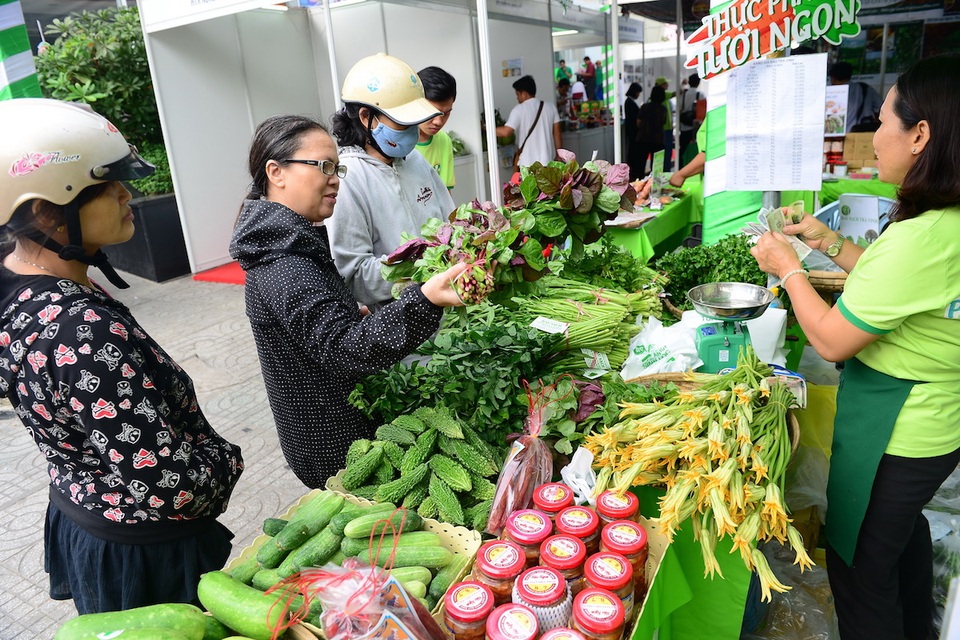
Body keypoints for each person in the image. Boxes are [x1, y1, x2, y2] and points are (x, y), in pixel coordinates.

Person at [0, 99, 243, 614]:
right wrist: (225, 461)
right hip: (140, 549)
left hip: (83, 510)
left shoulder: (21, 278)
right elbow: (168, 486)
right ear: (47, 211)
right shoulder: (76, 331)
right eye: (109, 187)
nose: (127, 194)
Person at [749, 54, 960, 640]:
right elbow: (892, 288)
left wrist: (788, 268)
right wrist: (829, 241)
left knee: (862, 572)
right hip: (938, 425)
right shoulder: (946, 225)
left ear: (921, 135)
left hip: (899, 431)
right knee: (900, 537)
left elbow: (833, 340)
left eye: (884, 121)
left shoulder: (921, 239)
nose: (873, 139)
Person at [229, 115, 469, 490]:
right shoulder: (284, 262)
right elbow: (344, 348)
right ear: (276, 172)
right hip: (331, 443)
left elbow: (324, 334)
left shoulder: (295, 240)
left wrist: (343, 313)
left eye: (336, 166)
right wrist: (426, 299)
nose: (335, 177)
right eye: (323, 166)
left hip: (343, 423)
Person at [326, 53, 455, 312]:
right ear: (366, 117)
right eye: (401, 122)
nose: (412, 130)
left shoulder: (416, 160)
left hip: (448, 314)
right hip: (400, 329)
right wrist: (423, 268)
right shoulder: (349, 179)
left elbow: (450, 221)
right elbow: (353, 274)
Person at [496, 75, 562, 169]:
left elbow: (506, 132)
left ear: (524, 94)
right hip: (547, 162)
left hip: (527, 164)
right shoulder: (550, 107)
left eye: (517, 94)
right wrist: (559, 155)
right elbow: (557, 134)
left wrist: (486, 128)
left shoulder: (519, 109)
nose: (516, 97)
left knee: (527, 184)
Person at [415, 66, 457, 191]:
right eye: (432, 112)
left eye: (446, 113)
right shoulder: (396, 143)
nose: (438, 122)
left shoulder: (444, 140)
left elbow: (445, 193)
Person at [830, 61, 883, 133]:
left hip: (836, 136)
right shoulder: (865, 88)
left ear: (833, 78)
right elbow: (881, 108)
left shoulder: (829, 93)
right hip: (861, 134)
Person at [633, 84, 668, 176]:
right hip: (657, 139)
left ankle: (639, 183)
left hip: (643, 138)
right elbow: (663, 122)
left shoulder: (644, 107)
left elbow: (638, 123)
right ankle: (655, 185)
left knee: (640, 165)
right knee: (657, 166)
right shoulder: (663, 109)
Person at [678, 73, 704, 166]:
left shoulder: (684, 94)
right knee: (697, 148)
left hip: (684, 125)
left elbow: (680, 107)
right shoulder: (700, 94)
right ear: (698, 82)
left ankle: (682, 166)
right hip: (695, 126)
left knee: (682, 149)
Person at [623, 82, 645, 181]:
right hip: (633, 131)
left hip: (632, 131)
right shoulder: (630, 102)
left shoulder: (629, 102)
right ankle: (633, 172)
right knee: (633, 152)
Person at [655, 76, 676, 171]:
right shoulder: (663, 95)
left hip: (666, 128)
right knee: (666, 151)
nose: (667, 85)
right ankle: (665, 171)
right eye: (665, 83)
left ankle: (664, 170)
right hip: (664, 129)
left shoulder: (664, 97)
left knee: (666, 151)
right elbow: (676, 93)